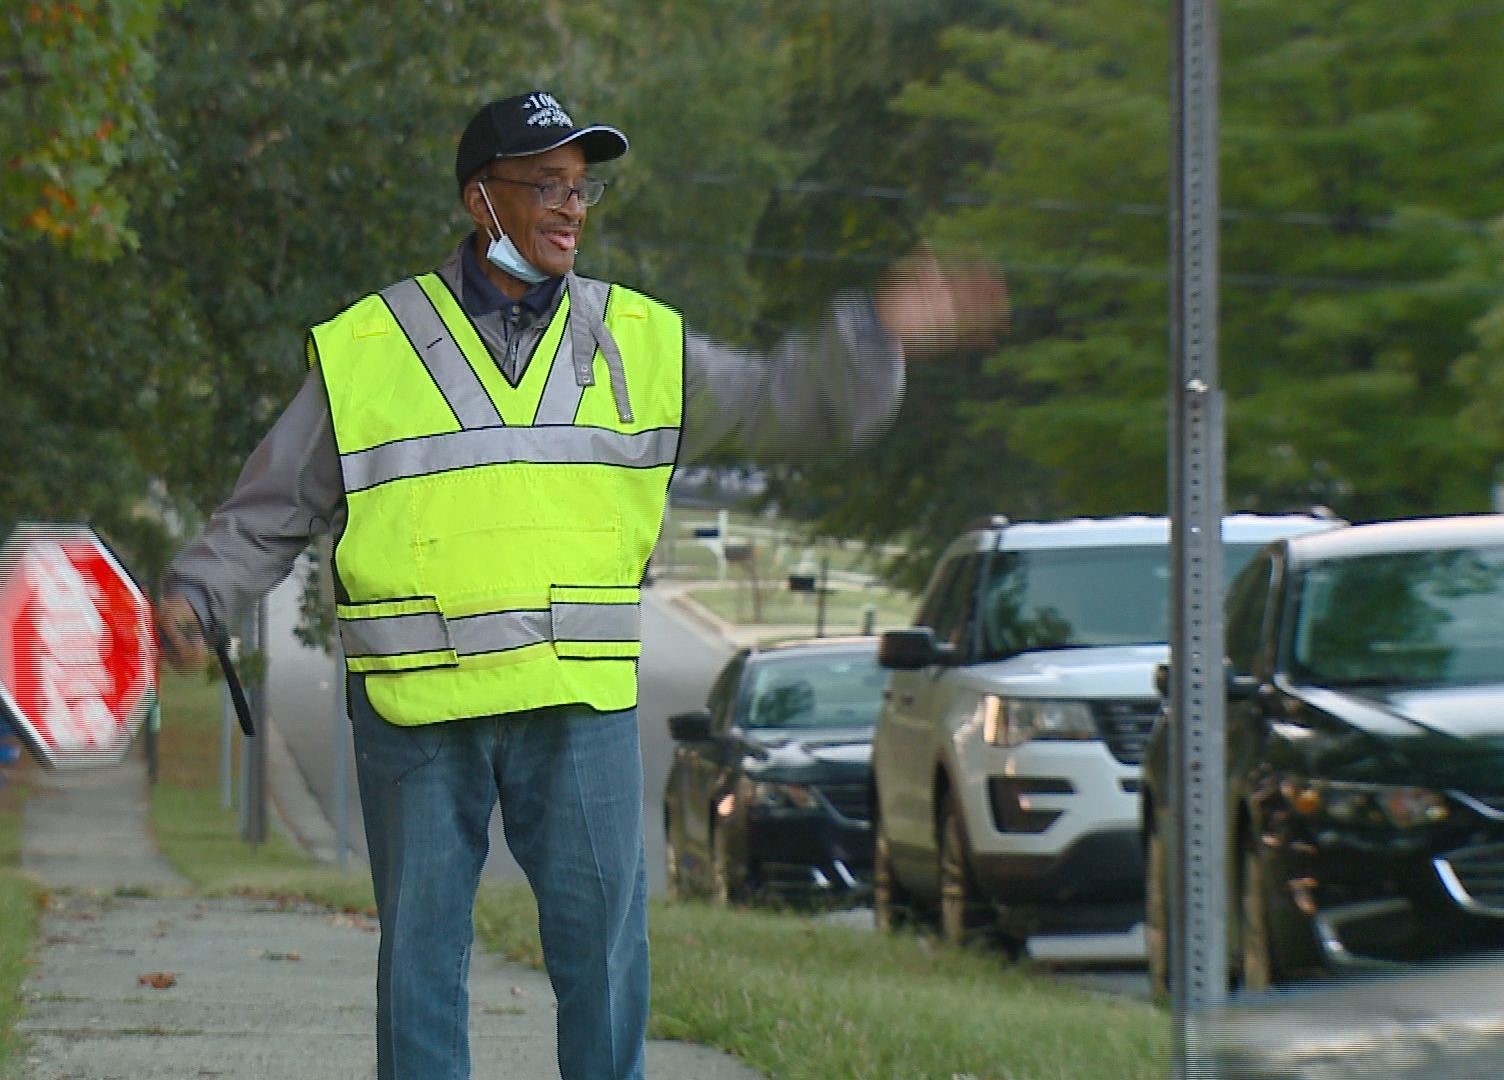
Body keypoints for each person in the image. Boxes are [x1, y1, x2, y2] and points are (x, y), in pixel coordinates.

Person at [156, 89, 1006, 1080]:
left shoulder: (640, 342)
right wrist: (200, 598)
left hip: (580, 706)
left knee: (604, 966)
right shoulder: (371, 347)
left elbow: (785, 399)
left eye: (581, 188)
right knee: (421, 967)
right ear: (483, 202)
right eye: (545, 186)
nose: (570, 209)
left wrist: (879, 333)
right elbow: (269, 507)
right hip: (418, 713)